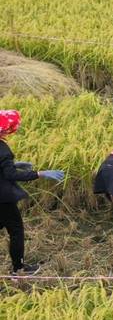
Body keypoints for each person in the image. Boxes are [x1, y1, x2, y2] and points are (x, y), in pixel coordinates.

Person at [0, 110, 64, 276]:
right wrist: (39, 173)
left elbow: (5, 168)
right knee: (16, 230)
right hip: (3, 199)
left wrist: (13, 164)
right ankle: (18, 269)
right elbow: (10, 175)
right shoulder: (3, 149)